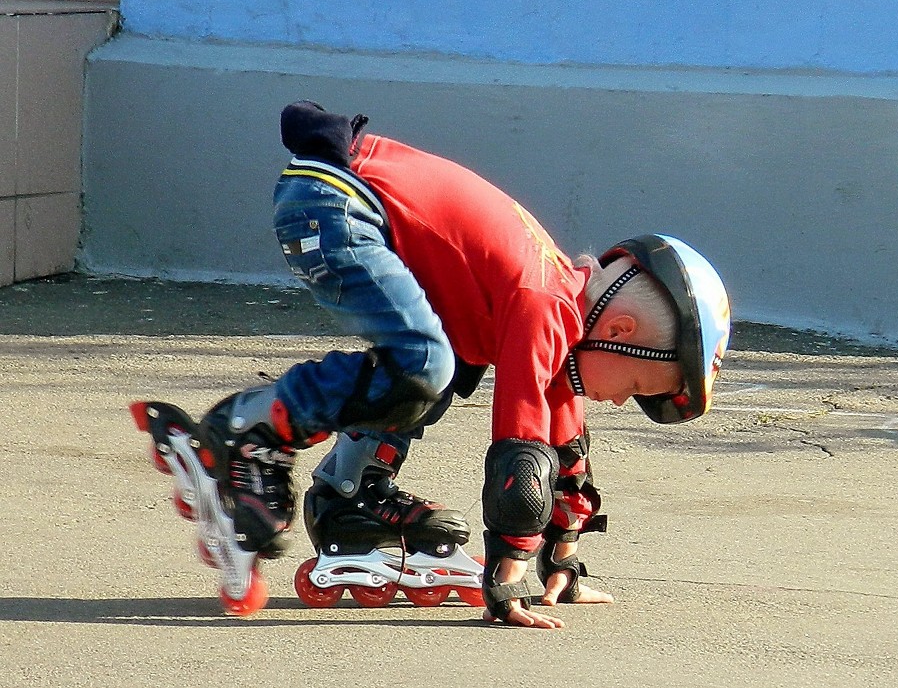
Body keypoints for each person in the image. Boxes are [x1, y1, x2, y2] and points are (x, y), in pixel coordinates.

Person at [131, 100, 731, 628]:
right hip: (336, 198)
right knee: (424, 363)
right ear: (620, 331)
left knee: (439, 365)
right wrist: (508, 570)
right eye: (634, 387)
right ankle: (251, 428)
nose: (621, 401)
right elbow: (523, 451)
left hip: (340, 197)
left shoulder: (559, 304)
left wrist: (562, 560)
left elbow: (563, 441)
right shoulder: (543, 300)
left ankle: (349, 494)